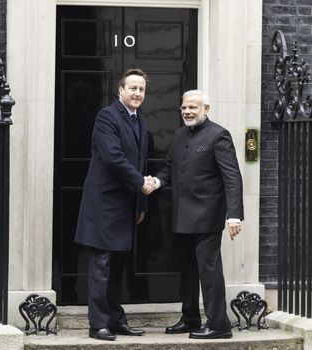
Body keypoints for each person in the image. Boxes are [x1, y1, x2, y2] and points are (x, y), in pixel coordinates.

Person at [144, 90, 244, 339]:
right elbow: (169, 169)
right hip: (181, 217)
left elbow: (232, 177)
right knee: (187, 271)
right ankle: (189, 318)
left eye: (193, 108)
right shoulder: (179, 135)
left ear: (206, 109)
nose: (187, 112)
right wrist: (156, 182)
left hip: (208, 217)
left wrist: (234, 215)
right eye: (184, 108)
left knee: (209, 272)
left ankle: (219, 324)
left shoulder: (219, 135)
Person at [75, 68, 151, 341]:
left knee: (118, 266)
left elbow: (140, 163)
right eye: (132, 88)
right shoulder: (107, 116)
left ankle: (116, 320)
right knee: (102, 266)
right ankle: (98, 325)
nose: (137, 93)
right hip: (104, 203)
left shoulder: (140, 121)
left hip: (127, 204)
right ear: (120, 90)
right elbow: (113, 157)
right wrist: (141, 184)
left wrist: (141, 202)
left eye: (141, 89)